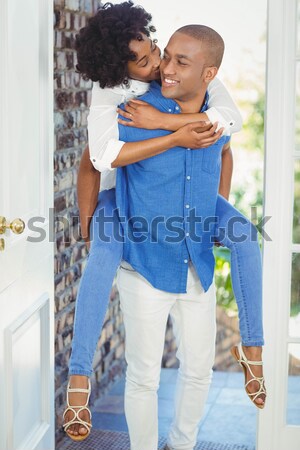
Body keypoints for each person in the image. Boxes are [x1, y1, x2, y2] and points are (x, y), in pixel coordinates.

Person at [62, 2, 265, 444]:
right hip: (127, 211)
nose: (160, 65)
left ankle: (253, 350)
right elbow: (94, 161)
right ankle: (79, 378)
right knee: (103, 255)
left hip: (191, 235)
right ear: (122, 70)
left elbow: (226, 134)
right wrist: (85, 225)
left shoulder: (204, 91)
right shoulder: (116, 101)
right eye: (149, 60)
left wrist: (212, 209)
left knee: (247, 240)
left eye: (160, 52)